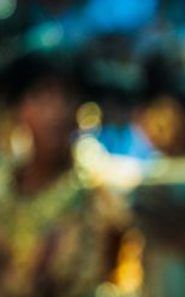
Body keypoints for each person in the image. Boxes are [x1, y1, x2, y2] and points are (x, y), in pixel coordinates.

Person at [0, 53, 129, 297]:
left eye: (66, 97)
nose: (56, 112)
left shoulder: (97, 192)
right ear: (18, 109)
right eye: (41, 97)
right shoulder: (4, 183)